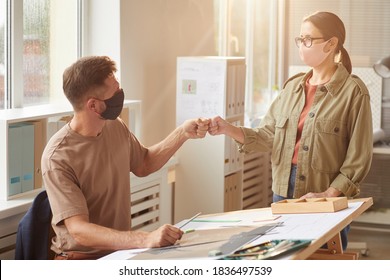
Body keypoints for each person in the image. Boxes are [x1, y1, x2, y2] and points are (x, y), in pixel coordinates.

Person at [208, 11, 373, 250]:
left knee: (324, 263)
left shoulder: (353, 92)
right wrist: (227, 128)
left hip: (325, 196)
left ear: (331, 44)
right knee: (285, 260)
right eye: (300, 39)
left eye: (308, 40)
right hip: (283, 192)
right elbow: (268, 137)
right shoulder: (292, 87)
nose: (302, 46)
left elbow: (358, 159)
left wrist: (329, 193)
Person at [41, 56, 210, 260]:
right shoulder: (58, 157)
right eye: (114, 94)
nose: (119, 96)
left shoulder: (114, 126)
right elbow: (78, 230)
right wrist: (145, 239)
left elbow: (144, 164)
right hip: (82, 258)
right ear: (93, 106)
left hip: (119, 253)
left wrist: (182, 133)